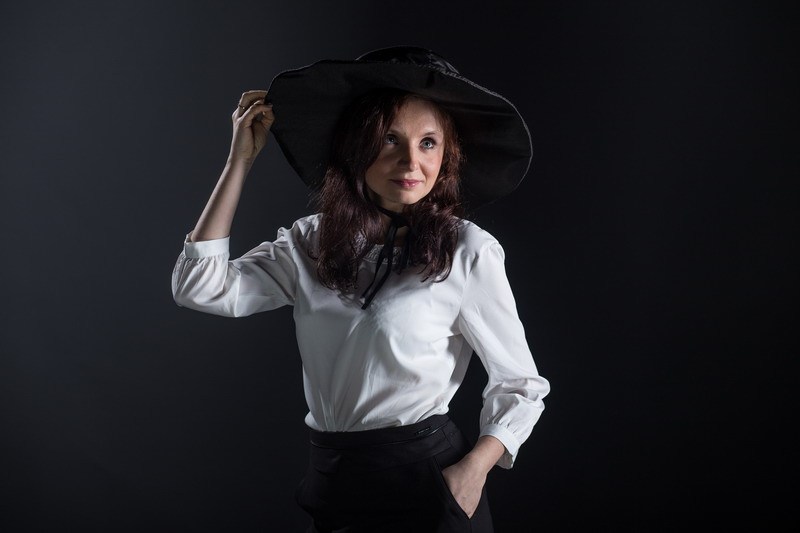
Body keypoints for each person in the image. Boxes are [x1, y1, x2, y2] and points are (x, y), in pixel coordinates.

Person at [172, 46, 550, 533]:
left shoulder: (468, 250)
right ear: (357, 146)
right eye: (390, 139)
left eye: (428, 143)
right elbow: (199, 287)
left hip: (429, 482)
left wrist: (471, 473)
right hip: (332, 480)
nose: (411, 161)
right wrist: (239, 163)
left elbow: (521, 384)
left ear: (446, 156)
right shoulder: (311, 241)